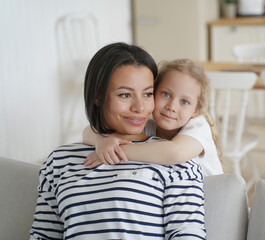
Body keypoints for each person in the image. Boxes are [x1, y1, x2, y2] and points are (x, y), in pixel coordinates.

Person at [30, 42, 206, 240]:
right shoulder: (59, 160)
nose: (140, 107)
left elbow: (188, 235)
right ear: (98, 96)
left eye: (147, 94)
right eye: (125, 95)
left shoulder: (175, 162)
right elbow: (43, 235)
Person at [83, 59, 224, 176]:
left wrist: (117, 152)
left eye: (184, 102)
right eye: (166, 94)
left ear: (195, 110)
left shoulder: (198, 126)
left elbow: (176, 152)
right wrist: (102, 140)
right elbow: (86, 132)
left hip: (211, 202)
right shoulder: (149, 127)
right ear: (153, 93)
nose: (172, 107)